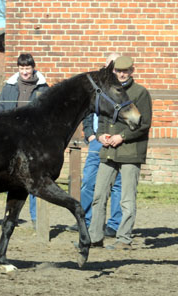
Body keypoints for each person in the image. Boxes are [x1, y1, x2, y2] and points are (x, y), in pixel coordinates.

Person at [88, 56, 152, 250]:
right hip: (108, 151)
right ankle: (94, 237)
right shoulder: (109, 90)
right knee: (99, 194)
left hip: (130, 152)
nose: (122, 74)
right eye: (118, 71)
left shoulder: (140, 93)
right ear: (114, 71)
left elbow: (144, 124)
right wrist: (100, 135)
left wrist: (121, 137)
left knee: (126, 198)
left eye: (125, 71)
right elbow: (104, 117)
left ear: (132, 70)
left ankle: (124, 238)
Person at [67, 53, 123, 237]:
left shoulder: (122, 90)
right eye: (110, 66)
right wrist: (90, 134)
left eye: (116, 67)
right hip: (97, 142)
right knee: (89, 182)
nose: (113, 70)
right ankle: (86, 220)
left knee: (116, 185)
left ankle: (114, 225)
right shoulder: (97, 87)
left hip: (116, 142)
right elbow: (88, 111)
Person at [0, 53, 49, 227]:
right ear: (18, 68)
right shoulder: (9, 87)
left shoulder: (44, 88)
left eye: (27, 68)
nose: (25, 72)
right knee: (11, 177)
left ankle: (35, 218)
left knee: (35, 177)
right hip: (12, 139)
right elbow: (0, 110)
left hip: (33, 140)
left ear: (33, 67)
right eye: (22, 68)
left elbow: (47, 115)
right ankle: (11, 217)